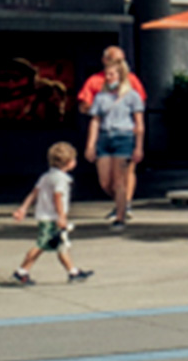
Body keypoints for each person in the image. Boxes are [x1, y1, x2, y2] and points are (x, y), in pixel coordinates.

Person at [78, 45, 147, 228]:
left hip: (124, 136)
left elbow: (139, 113)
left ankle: (122, 212)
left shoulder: (132, 87)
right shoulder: (97, 86)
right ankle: (120, 202)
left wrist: (139, 144)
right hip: (105, 136)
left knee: (122, 177)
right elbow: (87, 109)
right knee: (105, 181)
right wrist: (90, 144)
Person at [11, 143, 95, 286]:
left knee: (62, 246)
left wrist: (23, 208)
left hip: (45, 217)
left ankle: (73, 272)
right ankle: (21, 271)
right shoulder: (61, 179)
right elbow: (58, 197)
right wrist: (61, 216)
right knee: (41, 245)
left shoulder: (46, 176)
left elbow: (34, 193)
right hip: (52, 219)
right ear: (69, 163)